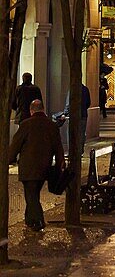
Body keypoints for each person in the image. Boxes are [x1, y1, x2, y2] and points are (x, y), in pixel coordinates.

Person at [9, 99, 64, 232]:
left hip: (28, 166)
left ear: (31, 110)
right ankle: (30, 220)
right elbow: (58, 147)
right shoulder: (51, 125)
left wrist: (9, 159)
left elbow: (16, 144)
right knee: (34, 193)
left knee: (31, 195)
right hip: (44, 166)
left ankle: (37, 220)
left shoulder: (26, 125)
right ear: (43, 109)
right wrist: (60, 164)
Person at [63, 82, 92, 155]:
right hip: (83, 115)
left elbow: (68, 103)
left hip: (73, 115)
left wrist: (65, 113)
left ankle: (71, 151)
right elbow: (88, 103)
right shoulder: (86, 89)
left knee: (71, 133)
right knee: (82, 133)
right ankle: (80, 151)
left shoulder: (72, 90)